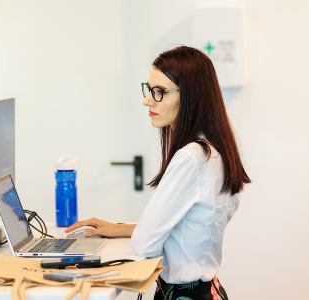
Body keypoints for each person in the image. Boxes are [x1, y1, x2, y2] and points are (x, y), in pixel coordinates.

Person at [65, 46, 251, 300]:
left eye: (160, 92)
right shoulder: (214, 150)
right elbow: (186, 228)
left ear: (191, 97)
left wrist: (137, 235)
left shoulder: (190, 158)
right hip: (208, 291)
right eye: (149, 89)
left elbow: (144, 245)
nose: (147, 100)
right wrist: (119, 229)